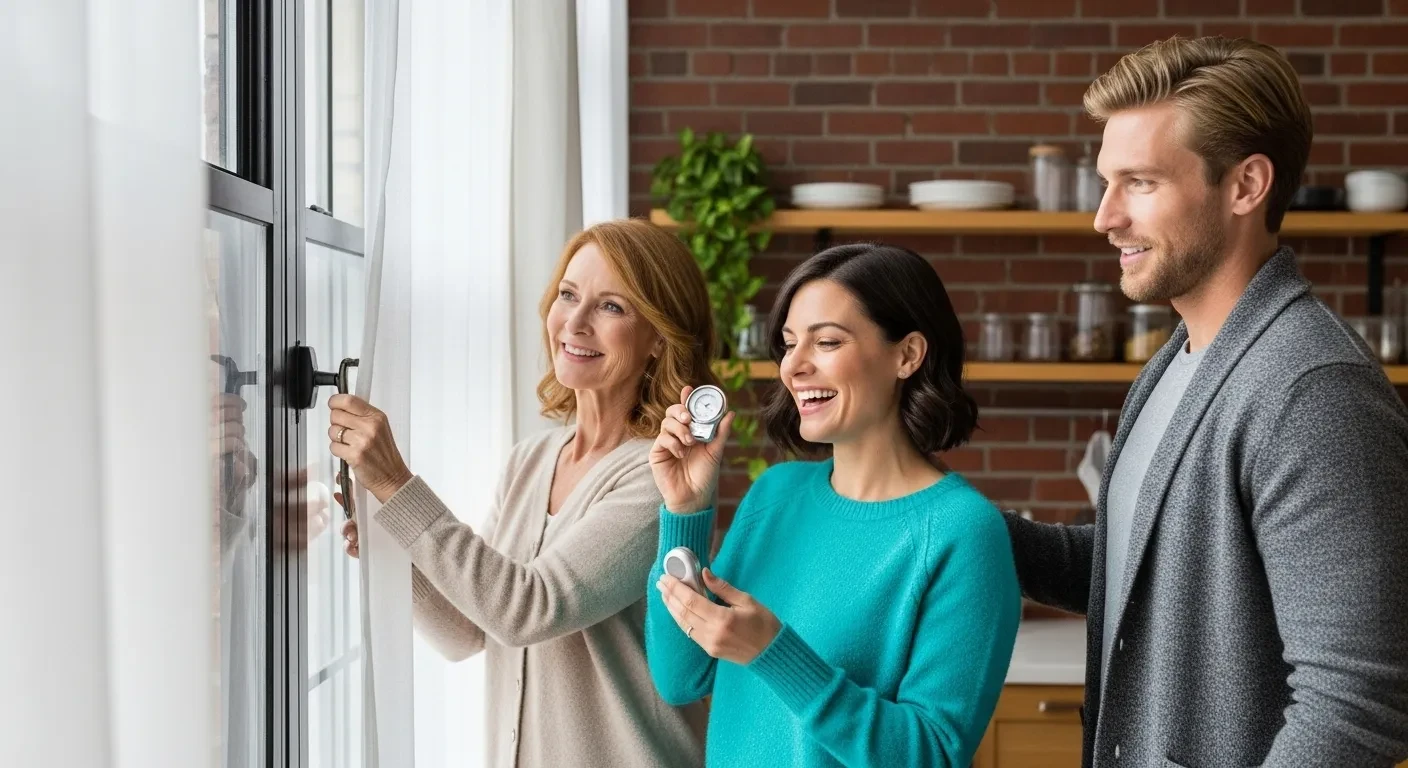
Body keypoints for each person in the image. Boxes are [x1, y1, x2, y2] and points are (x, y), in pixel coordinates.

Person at [1004, 36, 1408, 767]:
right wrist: (955, 523)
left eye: (1141, 183)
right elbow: (1141, 561)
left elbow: (1354, 706)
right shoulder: (1179, 361)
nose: (1104, 217)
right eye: (1106, 182)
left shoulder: (1311, 390)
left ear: (1246, 185)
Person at [331, 219, 714, 768]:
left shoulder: (659, 475)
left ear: (658, 338)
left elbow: (528, 609)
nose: (575, 323)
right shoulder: (530, 460)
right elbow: (469, 631)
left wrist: (397, 484)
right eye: (568, 295)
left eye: (611, 307)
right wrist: (396, 552)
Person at [647, 243, 1021, 767]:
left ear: (907, 354)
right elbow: (680, 678)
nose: (794, 366)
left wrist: (775, 655)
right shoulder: (775, 495)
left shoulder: (962, 533)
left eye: (826, 342)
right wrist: (684, 512)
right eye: (789, 343)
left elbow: (932, 755)